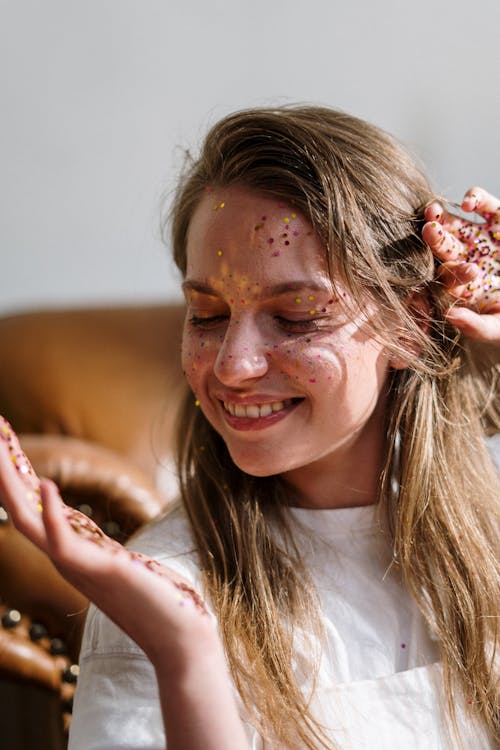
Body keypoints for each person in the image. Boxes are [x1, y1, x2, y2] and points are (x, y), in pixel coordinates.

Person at [0, 107, 498, 750]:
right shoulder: (165, 590)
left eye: (295, 316)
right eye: (206, 314)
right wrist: (185, 656)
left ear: (412, 325)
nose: (232, 367)